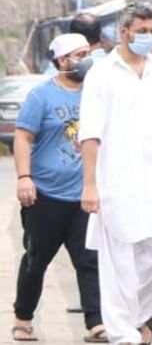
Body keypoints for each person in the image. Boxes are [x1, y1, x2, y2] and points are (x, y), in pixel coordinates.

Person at [79, 2, 152, 345]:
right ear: (124, 31)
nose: (148, 37)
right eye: (142, 31)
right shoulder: (102, 73)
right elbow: (90, 132)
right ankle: (122, 334)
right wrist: (90, 185)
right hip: (116, 181)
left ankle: (133, 317)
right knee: (119, 262)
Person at [11, 33, 105, 343]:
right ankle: (23, 319)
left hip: (83, 194)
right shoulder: (42, 96)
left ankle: (96, 322)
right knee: (36, 259)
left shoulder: (95, 94)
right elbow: (23, 138)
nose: (88, 59)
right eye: (81, 54)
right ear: (63, 60)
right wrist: (25, 178)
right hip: (46, 195)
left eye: (89, 52)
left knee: (89, 259)